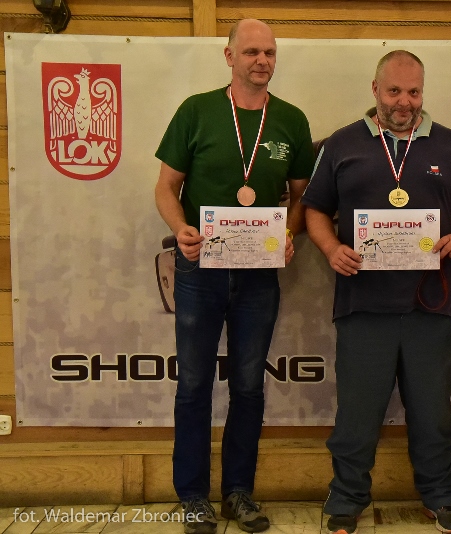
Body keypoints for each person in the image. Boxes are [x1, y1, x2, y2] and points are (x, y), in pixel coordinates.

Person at [302, 50, 451, 534]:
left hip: (432, 303)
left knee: (433, 412)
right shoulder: (342, 144)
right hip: (363, 304)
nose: (404, 102)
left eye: (414, 92)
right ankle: (346, 499)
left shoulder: (450, 144)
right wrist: (330, 248)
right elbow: (315, 209)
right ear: (375, 90)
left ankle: (441, 496)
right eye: (394, 91)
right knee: (357, 414)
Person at [154, 19, 315, 534]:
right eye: (250, 52)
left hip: (258, 276)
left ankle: (238, 493)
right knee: (194, 385)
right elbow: (165, 187)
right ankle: (193, 497)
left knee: (248, 386)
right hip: (199, 269)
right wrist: (180, 229)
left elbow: (303, 196)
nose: (261, 60)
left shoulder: (290, 119)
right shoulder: (197, 111)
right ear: (229, 57)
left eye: (269, 52)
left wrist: (289, 232)